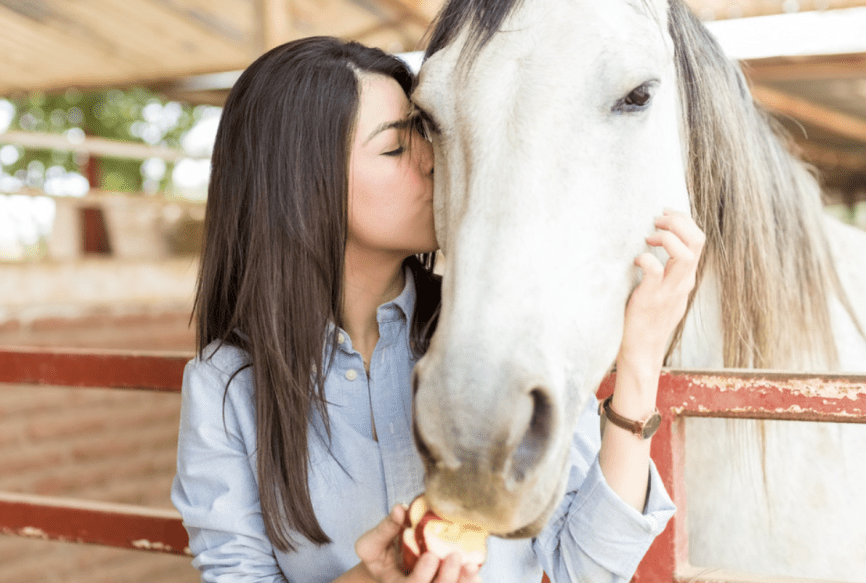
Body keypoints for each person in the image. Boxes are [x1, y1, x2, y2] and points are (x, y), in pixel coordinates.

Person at [171, 36, 703, 583]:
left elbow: (588, 568)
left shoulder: (498, 329)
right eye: (396, 149)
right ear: (303, 185)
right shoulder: (226, 385)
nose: (434, 162)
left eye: (426, 135)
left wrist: (639, 361)